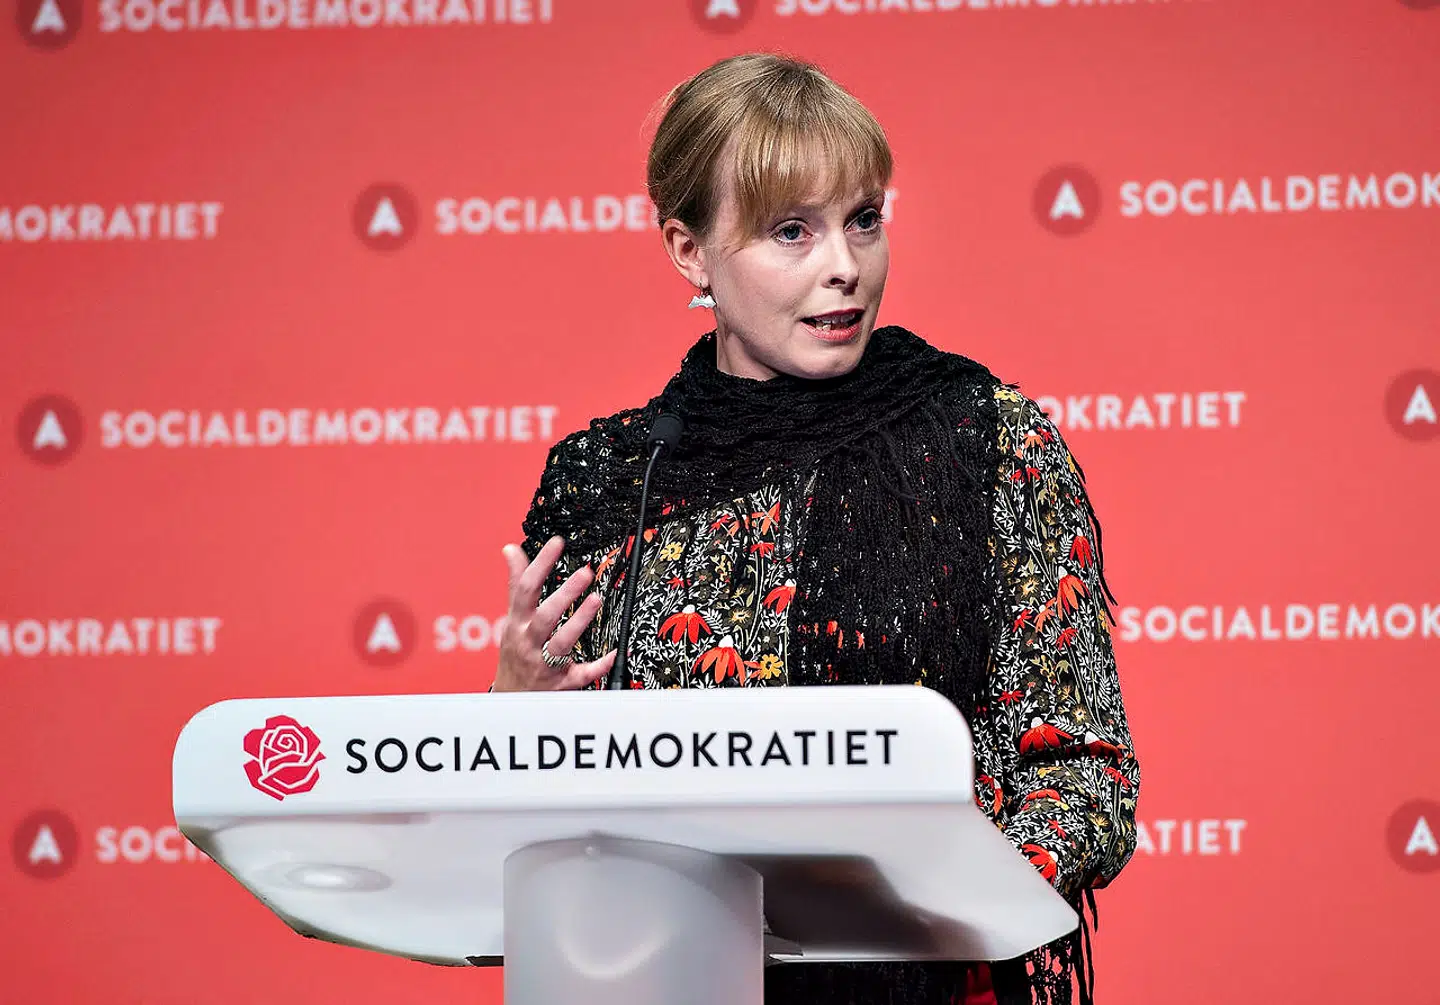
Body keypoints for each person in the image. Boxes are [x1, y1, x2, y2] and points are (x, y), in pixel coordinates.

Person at [493, 52, 1140, 1005]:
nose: (845, 265)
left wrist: (908, 896)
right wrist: (513, 716)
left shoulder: (985, 437)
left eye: (863, 219)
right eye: (791, 231)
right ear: (688, 250)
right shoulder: (611, 478)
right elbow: (553, 826)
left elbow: (1087, 775)